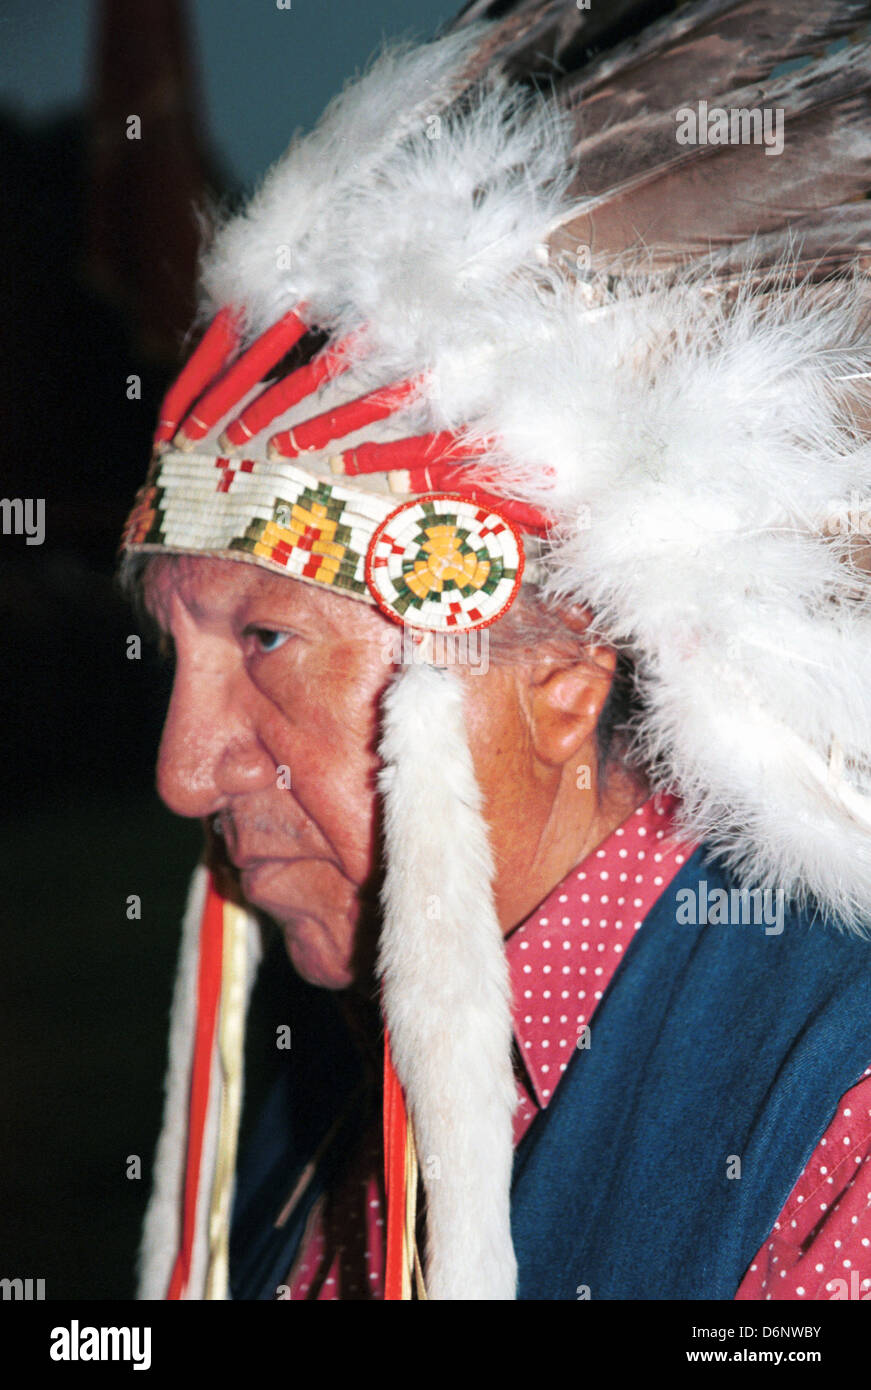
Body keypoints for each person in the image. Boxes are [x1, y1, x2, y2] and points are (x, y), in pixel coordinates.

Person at [121, 5, 871, 1300]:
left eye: (264, 637)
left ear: (563, 676)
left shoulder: (832, 1135)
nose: (185, 772)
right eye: (177, 648)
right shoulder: (324, 1074)